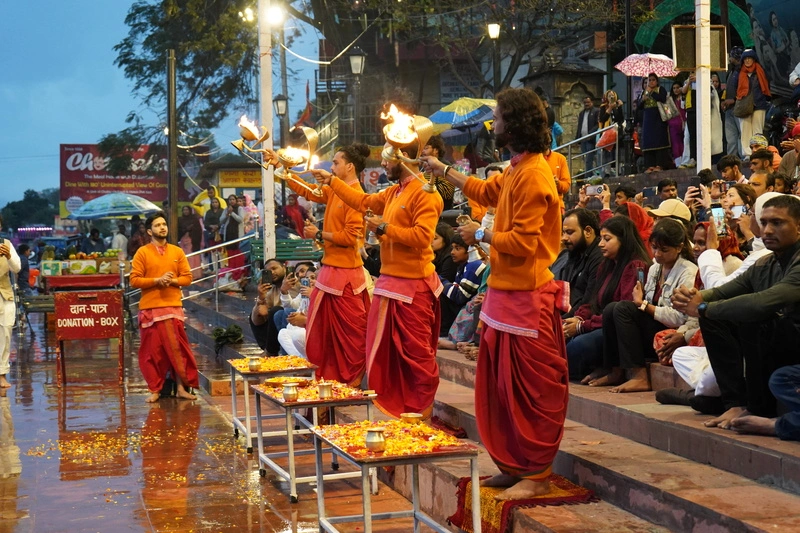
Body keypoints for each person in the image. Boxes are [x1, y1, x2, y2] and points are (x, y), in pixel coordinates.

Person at [422, 87, 567, 500]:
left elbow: (523, 243)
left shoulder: (535, 174)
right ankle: (515, 465)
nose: (493, 124)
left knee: (528, 391)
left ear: (515, 124)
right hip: (505, 296)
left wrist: (480, 234)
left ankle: (537, 473)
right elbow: (486, 192)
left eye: (499, 117)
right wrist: (442, 169)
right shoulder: (517, 167)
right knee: (501, 389)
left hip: (527, 297)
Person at [314, 136, 444, 420]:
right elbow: (362, 201)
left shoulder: (426, 193)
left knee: (416, 356)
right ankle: (405, 415)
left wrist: (383, 228)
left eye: (387, 159)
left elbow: (423, 238)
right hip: (390, 283)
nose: (383, 164)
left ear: (405, 158)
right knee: (390, 359)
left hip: (413, 287)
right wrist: (332, 180)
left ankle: (421, 417)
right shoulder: (394, 192)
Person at [672, 195, 800, 429]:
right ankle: (736, 403)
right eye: (764, 222)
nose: (767, 230)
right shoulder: (765, 263)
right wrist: (691, 297)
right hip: (783, 345)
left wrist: (703, 308)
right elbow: (722, 292)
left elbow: (762, 303)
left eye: (777, 223)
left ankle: (758, 407)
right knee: (716, 319)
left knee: (754, 318)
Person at [290, 143, 371, 387]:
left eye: (336, 163)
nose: (331, 167)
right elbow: (309, 192)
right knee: (324, 334)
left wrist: (318, 234)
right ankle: (331, 381)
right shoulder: (336, 189)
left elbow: (351, 237)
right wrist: (283, 171)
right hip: (330, 271)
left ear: (350, 166)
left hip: (346, 275)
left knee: (351, 337)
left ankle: (349, 383)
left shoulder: (355, 195)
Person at [587, 218, 698, 392]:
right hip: (655, 326)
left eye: (664, 250)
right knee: (611, 309)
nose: (657, 254)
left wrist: (644, 304)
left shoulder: (688, 271)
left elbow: (679, 317)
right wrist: (641, 302)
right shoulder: (655, 268)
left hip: (672, 334)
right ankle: (615, 370)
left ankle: (639, 376)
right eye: (654, 248)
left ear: (679, 247)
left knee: (623, 309)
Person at [564, 216, 651, 381]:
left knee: (575, 348)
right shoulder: (606, 265)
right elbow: (593, 301)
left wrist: (582, 326)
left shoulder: (635, 266)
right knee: (557, 339)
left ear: (623, 240)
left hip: (616, 330)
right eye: (601, 238)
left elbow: (622, 311)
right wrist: (578, 318)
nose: (600, 244)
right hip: (598, 324)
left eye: (607, 239)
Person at [129, 212, 198, 403]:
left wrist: (171, 281)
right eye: (158, 225)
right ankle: (155, 390)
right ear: (149, 231)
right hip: (150, 310)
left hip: (173, 308)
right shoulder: (142, 252)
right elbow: (134, 280)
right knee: (153, 353)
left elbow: (187, 278)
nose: (162, 227)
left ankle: (181, 388)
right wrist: (156, 281)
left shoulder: (177, 251)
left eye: (164, 224)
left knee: (177, 351)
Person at [558, 208, 603, 314]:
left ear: (588, 231)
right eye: (563, 233)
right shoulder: (574, 253)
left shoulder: (599, 257)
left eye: (569, 232)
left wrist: (562, 320)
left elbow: (589, 301)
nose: (564, 238)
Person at [250, 259, 297, 356]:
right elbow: (256, 321)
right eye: (268, 271)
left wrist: (284, 291)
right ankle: (268, 349)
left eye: (274, 268)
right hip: (280, 324)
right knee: (255, 313)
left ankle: (270, 351)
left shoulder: (295, 284)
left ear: (284, 268)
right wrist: (261, 299)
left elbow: (291, 308)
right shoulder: (272, 290)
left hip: (294, 321)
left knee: (276, 311)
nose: (272, 272)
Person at [735, 49, 771, 159]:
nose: (747, 60)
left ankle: (758, 153)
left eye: (749, 58)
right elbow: (734, 89)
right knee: (745, 130)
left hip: (759, 103)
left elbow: (767, 85)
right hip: (744, 105)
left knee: (758, 130)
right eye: (745, 58)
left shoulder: (761, 71)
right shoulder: (738, 72)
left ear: (754, 59)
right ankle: (747, 154)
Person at [638, 73, 673, 172]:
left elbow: (662, 98)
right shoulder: (644, 92)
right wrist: (643, 100)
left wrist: (652, 92)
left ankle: (660, 164)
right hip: (648, 119)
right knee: (648, 142)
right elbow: (639, 106)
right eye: (649, 80)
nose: (651, 82)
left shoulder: (660, 89)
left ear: (657, 81)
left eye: (653, 80)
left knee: (659, 140)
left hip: (658, 117)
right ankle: (650, 165)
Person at [0, 221, 20, 389]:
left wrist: (8, 256)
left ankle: (2, 374)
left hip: (4, 294)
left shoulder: (6, 244)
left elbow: (17, 268)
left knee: (5, 334)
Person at [421, 135, 455, 210]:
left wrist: (424, 189)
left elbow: (447, 193)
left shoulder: (444, 166)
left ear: (436, 150)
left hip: (442, 212)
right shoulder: (422, 167)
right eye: (422, 148)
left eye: (426, 148)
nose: (422, 151)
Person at [722, 47, 744, 158]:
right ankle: (731, 159)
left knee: (741, 134)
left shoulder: (743, 71)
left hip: (739, 107)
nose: (729, 58)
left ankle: (743, 158)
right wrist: (724, 100)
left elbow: (745, 90)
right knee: (731, 137)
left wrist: (734, 100)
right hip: (729, 108)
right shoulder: (732, 71)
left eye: (731, 56)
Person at [219, 194, 245, 281]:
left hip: (238, 235)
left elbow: (240, 220)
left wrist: (232, 213)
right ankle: (232, 272)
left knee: (238, 253)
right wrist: (227, 214)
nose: (231, 201)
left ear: (236, 200)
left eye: (233, 199)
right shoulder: (226, 209)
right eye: (230, 200)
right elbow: (221, 220)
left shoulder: (240, 209)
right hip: (228, 235)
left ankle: (239, 273)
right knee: (230, 254)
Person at [575, 96, 599, 175]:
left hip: (591, 139)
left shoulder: (596, 111)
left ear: (592, 102)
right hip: (583, 139)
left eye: (588, 102)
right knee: (585, 158)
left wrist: (590, 134)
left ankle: (588, 176)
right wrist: (577, 139)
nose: (586, 104)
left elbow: (597, 124)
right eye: (585, 103)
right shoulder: (581, 113)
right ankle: (589, 174)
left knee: (589, 158)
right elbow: (579, 126)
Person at [178, 205, 203, 280]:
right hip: (183, 241)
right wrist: (186, 229)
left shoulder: (194, 219)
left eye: (187, 210)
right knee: (185, 257)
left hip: (193, 240)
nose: (185, 211)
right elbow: (179, 230)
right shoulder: (180, 220)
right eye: (184, 210)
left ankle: (194, 274)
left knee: (193, 257)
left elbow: (198, 230)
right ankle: (186, 273)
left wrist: (191, 231)